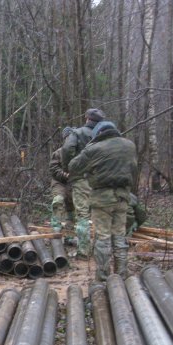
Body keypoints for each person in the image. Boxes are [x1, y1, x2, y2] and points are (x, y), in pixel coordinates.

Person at [68, 121, 137, 281]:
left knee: (103, 238)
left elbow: (73, 166)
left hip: (102, 198)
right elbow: (133, 170)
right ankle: (122, 274)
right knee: (119, 236)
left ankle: (103, 277)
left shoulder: (94, 148)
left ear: (98, 134)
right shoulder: (129, 145)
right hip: (123, 197)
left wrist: (89, 169)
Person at [60, 108, 105, 258]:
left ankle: (83, 251)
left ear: (87, 118)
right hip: (101, 180)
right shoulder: (105, 135)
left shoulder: (77, 133)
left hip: (82, 179)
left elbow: (67, 149)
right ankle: (100, 251)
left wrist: (69, 168)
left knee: (82, 214)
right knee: (100, 214)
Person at [49, 127, 75, 234]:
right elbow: (53, 169)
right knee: (58, 201)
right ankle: (56, 229)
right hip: (59, 182)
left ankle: (69, 233)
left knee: (72, 207)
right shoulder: (58, 153)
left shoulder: (79, 152)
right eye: (68, 137)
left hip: (73, 183)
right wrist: (64, 175)